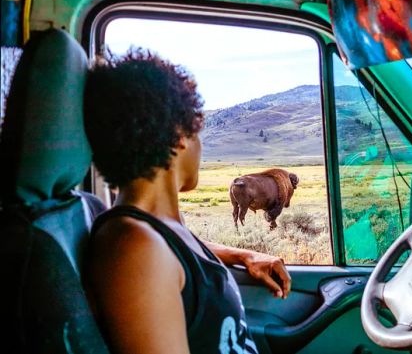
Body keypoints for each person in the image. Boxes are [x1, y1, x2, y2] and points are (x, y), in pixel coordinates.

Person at [84, 49, 290, 354]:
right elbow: (155, 257)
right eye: (198, 133)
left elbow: (176, 253)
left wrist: (242, 255)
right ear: (180, 135)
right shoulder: (134, 250)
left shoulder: (154, 230)